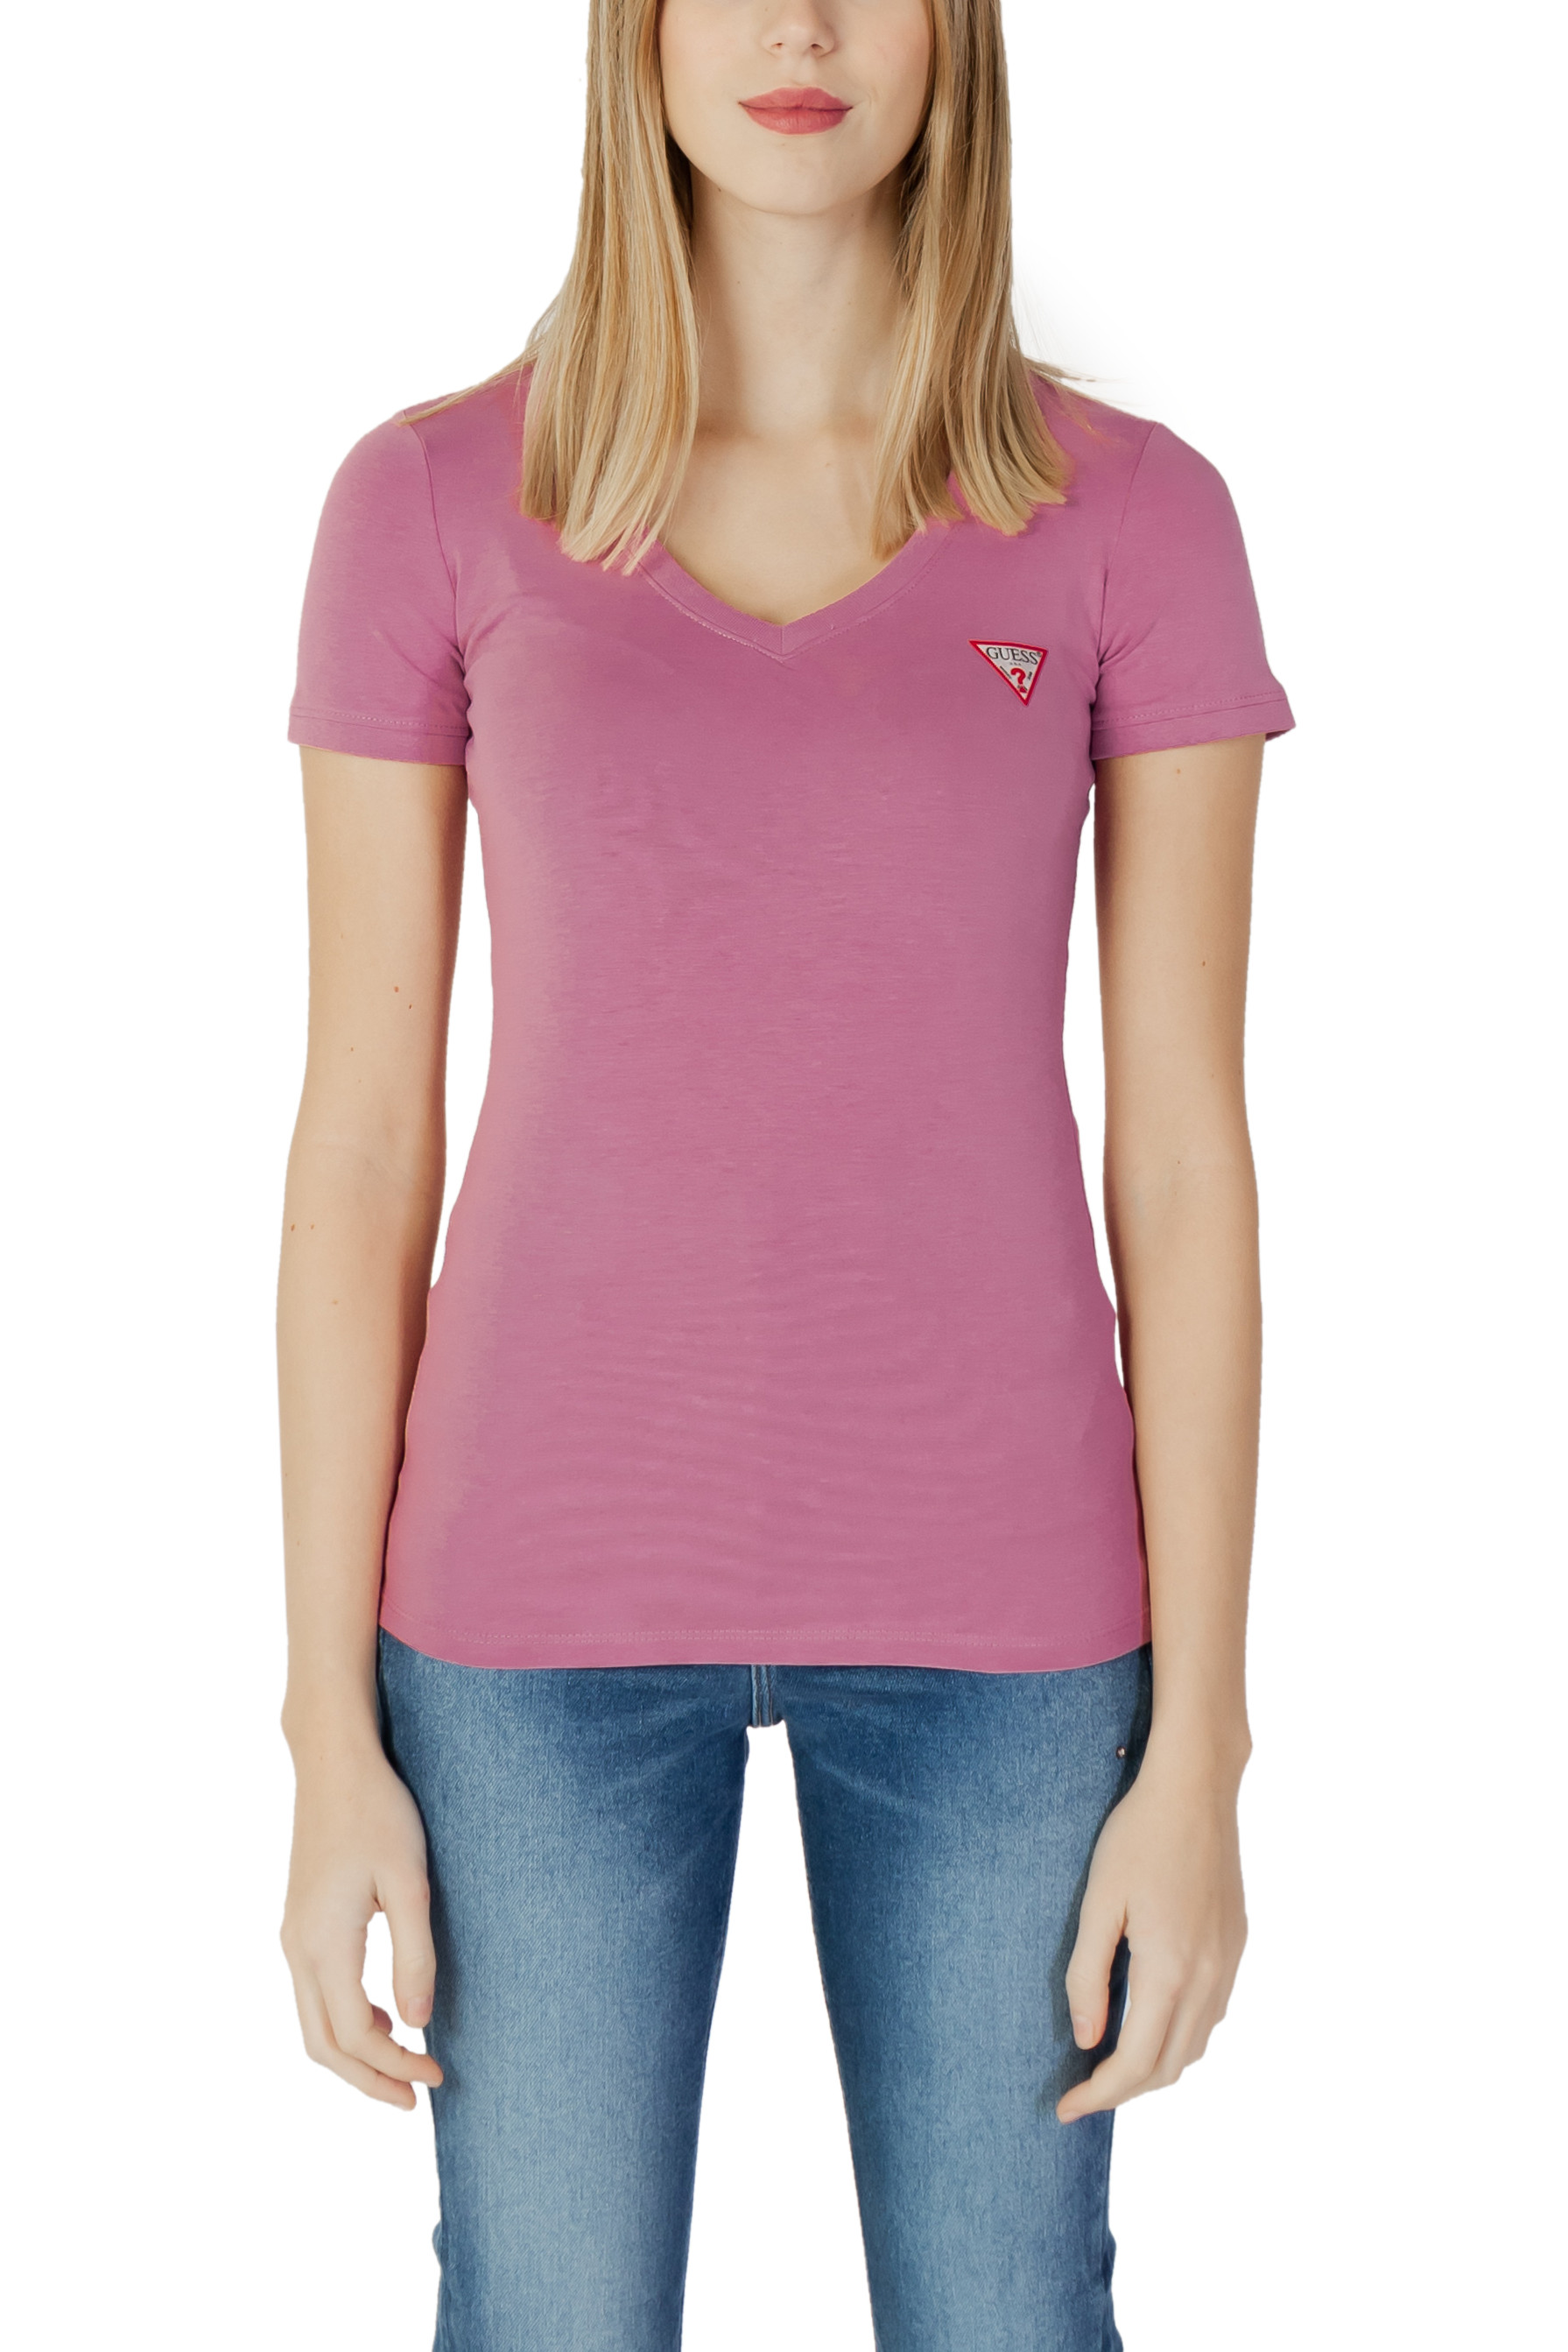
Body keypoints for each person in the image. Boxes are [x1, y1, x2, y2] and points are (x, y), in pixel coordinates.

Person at [277, 2, 1293, 2344]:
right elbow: (358, 1149)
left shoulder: (1135, 517)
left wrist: (1205, 1751)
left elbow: (1188, 1162)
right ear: (633, 35)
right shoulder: (430, 503)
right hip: (525, 1616)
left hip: (1012, 1627)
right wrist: (327, 1728)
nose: (802, 28)